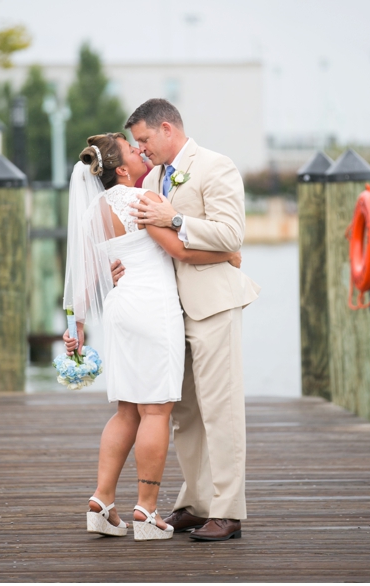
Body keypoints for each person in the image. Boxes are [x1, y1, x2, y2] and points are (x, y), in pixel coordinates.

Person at [61, 132, 243, 541]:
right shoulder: (142, 200)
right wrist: (227, 255)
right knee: (156, 412)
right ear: (121, 169)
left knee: (126, 410)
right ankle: (146, 510)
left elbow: (87, 276)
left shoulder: (94, 208)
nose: (141, 152)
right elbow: (177, 248)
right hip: (153, 309)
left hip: (120, 310)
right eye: (132, 149)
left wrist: (76, 326)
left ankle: (102, 501)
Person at [120, 99, 260, 541]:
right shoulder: (156, 176)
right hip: (169, 310)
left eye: (144, 140)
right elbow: (156, 241)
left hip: (214, 304)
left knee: (221, 410)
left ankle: (228, 510)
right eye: (137, 145)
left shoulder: (216, 166)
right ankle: (197, 503)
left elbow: (231, 233)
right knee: (184, 413)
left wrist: (175, 217)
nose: (141, 151)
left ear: (166, 128)